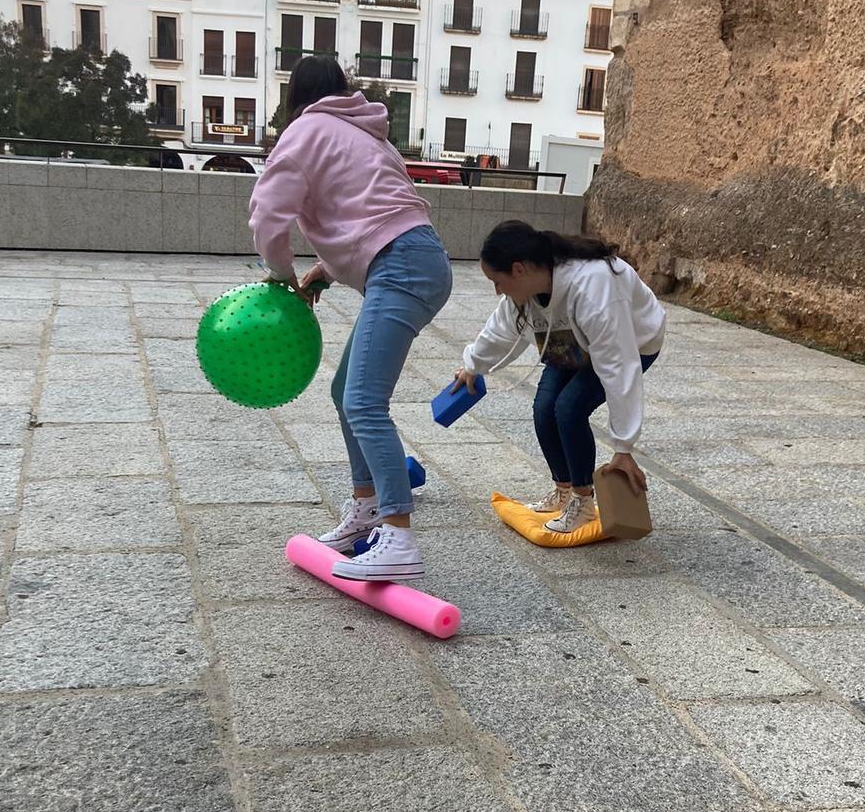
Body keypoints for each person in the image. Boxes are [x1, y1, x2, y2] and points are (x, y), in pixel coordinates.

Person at [249, 56, 452, 582]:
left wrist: (279, 274)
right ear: (342, 89)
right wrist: (324, 269)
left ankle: (398, 536)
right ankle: (366, 510)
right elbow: (370, 213)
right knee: (346, 392)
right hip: (415, 258)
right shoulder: (364, 133)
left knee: (364, 401)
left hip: (402, 266)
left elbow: (267, 213)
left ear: (294, 97)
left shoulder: (305, 131)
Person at [454, 221, 664, 533]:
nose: (498, 290)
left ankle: (582, 501)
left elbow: (619, 366)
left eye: (497, 281)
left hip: (631, 341)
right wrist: (472, 365)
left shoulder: (594, 285)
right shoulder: (523, 294)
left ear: (519, 269)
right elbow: (499, 329)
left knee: (569, 409)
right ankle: (564, 490)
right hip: (570, 341)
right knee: (544, 407)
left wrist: (624, 448)